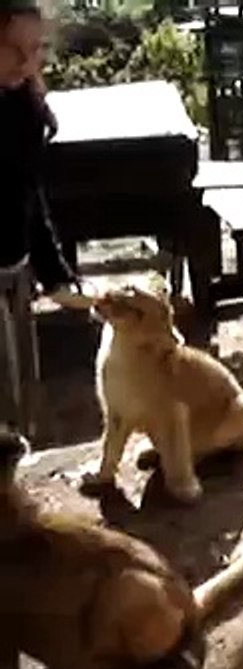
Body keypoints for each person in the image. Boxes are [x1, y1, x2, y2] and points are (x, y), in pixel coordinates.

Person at [0, 0, 79, 435]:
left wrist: (55, 276)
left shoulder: (21, 105)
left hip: (14, 277)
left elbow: (28, 195)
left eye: (37, 49)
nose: (30, 63)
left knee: (16, 416)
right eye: (16, 50)